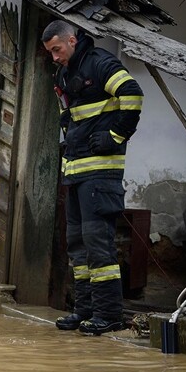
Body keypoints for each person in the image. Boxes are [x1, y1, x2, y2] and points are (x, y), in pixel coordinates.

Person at [41, 20, 143, 335]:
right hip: (75, 172)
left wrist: (115, 134)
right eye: (51, 53)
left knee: (99, 244)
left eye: (57, 49)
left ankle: (109, 314)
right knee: (77, 245)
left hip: (101, 173)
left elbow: (132, 94)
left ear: (72, 40)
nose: (55, 57)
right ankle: (83, 311)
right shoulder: (64, 74)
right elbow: (69, 116)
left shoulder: (100, 63)